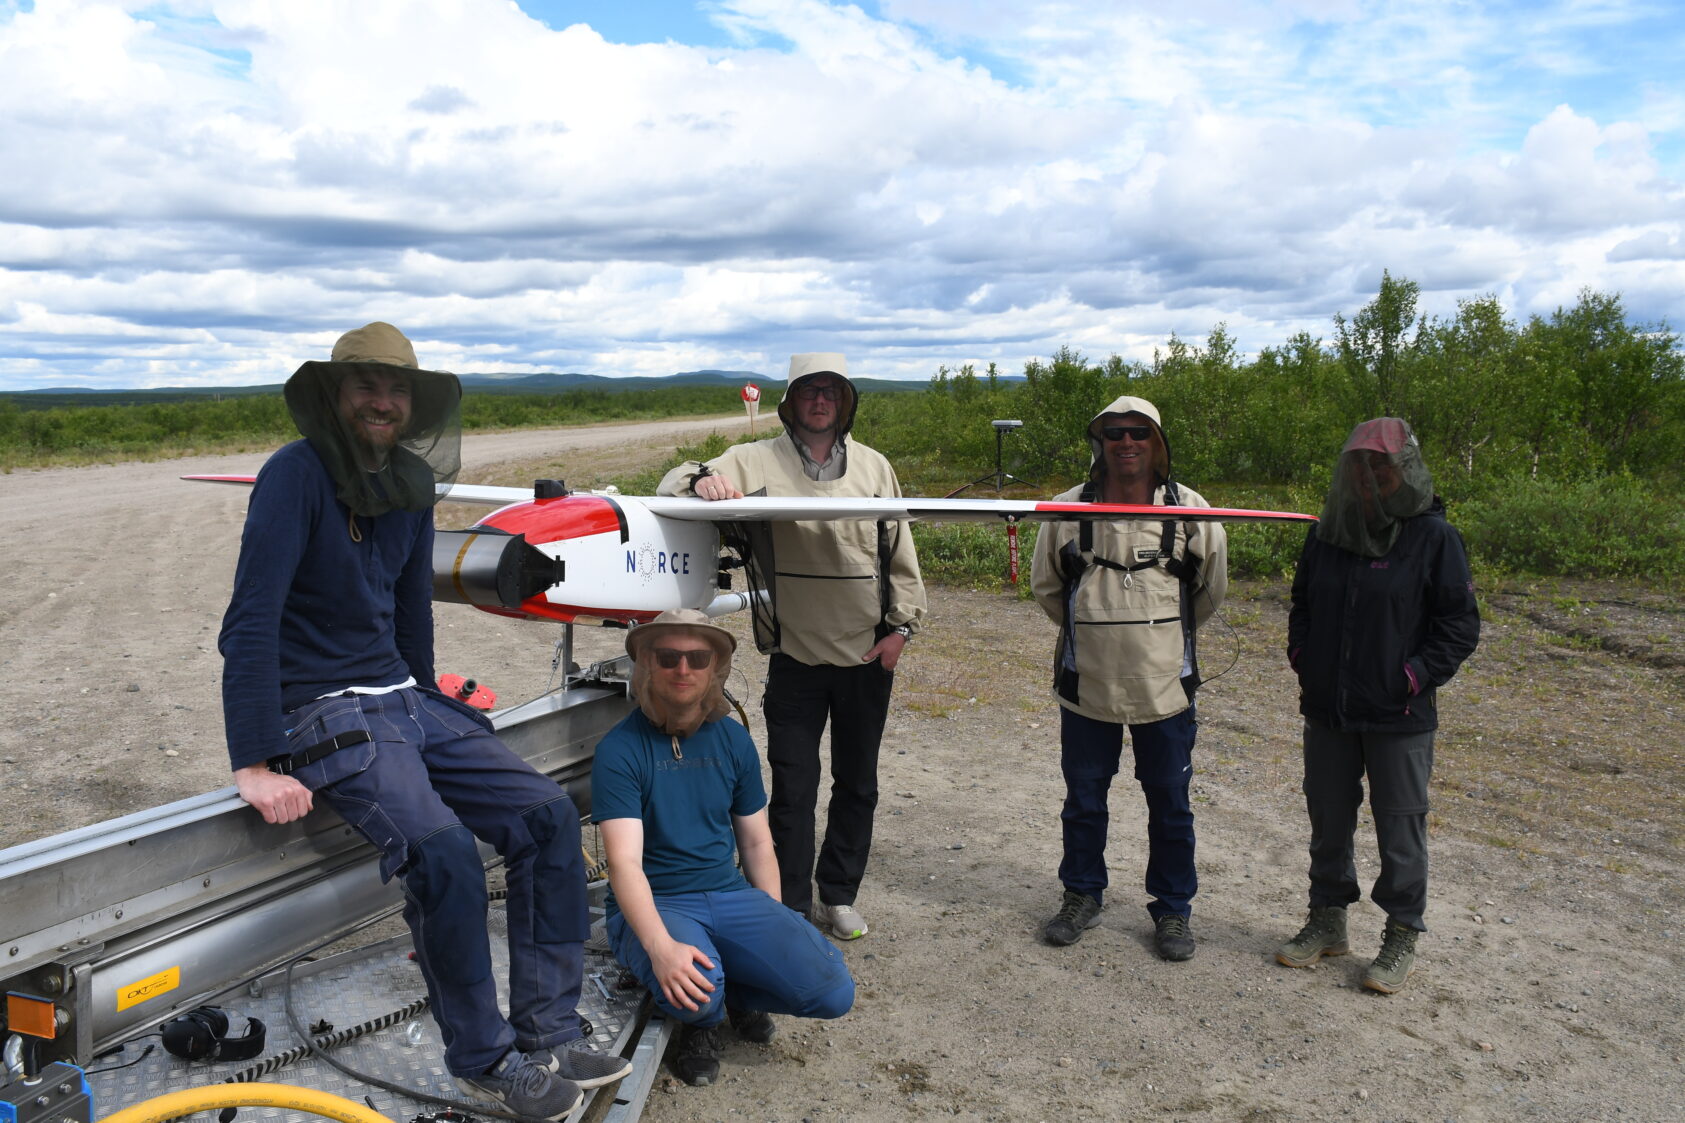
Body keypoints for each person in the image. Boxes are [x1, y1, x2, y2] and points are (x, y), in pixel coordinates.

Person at [218, 322, 632, 1119]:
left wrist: (433, 699)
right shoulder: (293, 475)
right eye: (366, 386)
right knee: (444, 854)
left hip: (400, 695)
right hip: (321, 706)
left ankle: (547, 1026)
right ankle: (484, 1057)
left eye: (397, 389)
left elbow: (410, 612)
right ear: (335, 396)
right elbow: (251, 618)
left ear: (414, 404)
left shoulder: (407, 478)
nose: (383, 401)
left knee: (546, 816)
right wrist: (255, 759)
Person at [658, 353, 926, 941]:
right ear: (791, 400)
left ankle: (839, 895)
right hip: (796, 659)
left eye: (832, 391)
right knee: (793, 786)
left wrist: (900, 632)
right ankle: (791, 903)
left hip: (865, 658)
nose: (821, 400)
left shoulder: (876, 468)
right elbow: (674, 480)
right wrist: (705, 481)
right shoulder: (754, 460)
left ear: (845, 401)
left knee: (858, 782)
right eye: (810, 391)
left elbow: (899, 550)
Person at [593, 609, 855, 1087]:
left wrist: (775, 918)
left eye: (698, 657)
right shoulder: (620, 749)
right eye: (668, 657)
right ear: (647, 664)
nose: (683, 669)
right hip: (657, 902)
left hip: (728, 893)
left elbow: (756, 840)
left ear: (716, 667)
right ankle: (705, 1021)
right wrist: (659, 946)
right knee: (694, 991)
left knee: (833, 992)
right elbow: (624, 863)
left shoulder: (732, 738)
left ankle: (732, 992)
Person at [1277, 417, 1479, 994]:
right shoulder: (1327, 534)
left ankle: (1401, 933)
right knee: (1329, 817)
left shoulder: (1434, 537)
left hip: (1400, 716)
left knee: (1400, 826)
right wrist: (1305, 657)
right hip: (1329, 709)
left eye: (1382, 467)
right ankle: (1327, 920)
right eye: (1359, 468)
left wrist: (1411, 677)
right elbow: (1302, 604)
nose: (1369, 478)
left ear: (1405, 469)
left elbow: (1458, 626)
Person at [1029, 396, 1229, 961]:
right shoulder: (1066, 509)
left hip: (1164, 685)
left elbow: (1209, 592)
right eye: (1114, 433)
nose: (1126, 442)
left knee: (1170, 802)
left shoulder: (1191, 510)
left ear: (1157, 440)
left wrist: (1157, 635)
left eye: (1138, 432)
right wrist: (1095, 630)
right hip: (1086, 681)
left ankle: (1172, 910)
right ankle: (1081, 895)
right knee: (1084, 798)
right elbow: (1048, 587)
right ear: (1100, 440)